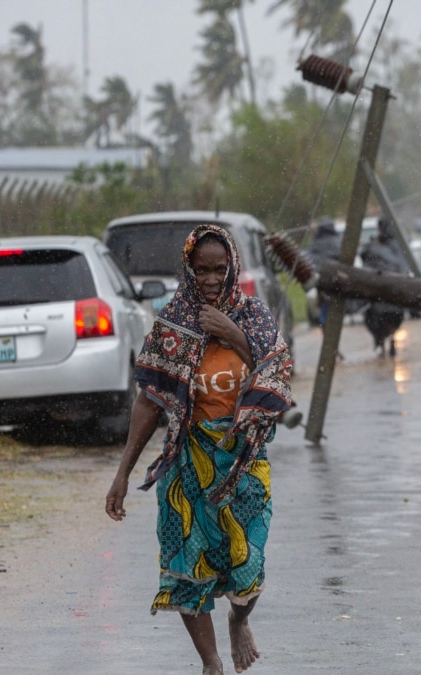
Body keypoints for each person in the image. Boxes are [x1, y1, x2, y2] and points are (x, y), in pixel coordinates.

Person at [105, 224, 294, 675]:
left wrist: (233, 334)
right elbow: (150, 402)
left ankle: (238, 620)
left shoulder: (251, 316)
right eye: (202, 269)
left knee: (248, 570)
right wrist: (122, 473)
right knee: (185, 565)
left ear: (233, 268)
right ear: (189, 269)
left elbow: (278, 371)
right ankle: (211, 664)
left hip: (242, 460)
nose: (211, 279)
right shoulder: (172, 323)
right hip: (187, 461)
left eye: (220, 269)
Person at [359, 220, 408, 357]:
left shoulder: (375, 248)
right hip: (395, 302)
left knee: (371, 318)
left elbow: (366, 269)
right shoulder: (399, 247)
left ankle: (380, 341)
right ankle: (387, 339)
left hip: (380, 303)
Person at [306, 218, 341, 326]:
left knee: (324, 303)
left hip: (320, 280)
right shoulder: (337, 241)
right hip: (336, 279)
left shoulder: (315, 243)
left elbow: (310, 259)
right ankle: (333, 322)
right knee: (336, 301)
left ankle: (324, 322)